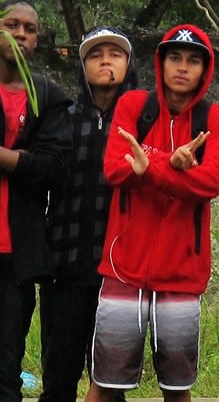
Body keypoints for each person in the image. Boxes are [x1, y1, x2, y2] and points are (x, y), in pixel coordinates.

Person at [84, 24, 219, 402]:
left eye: (193, 60)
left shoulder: (216, 120)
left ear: (206, 69)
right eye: (175, 57)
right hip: (124, 265)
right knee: (104, 382)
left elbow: (211, 183)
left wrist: (149, 166)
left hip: (181, 271)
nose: (182, 67)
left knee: (176, 387)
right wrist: (173, 165)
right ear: (160, 62)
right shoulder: (134, 105)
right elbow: (115, 169)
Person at [39, 26, 137, 402]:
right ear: (82, 67)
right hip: (64, 266)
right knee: (58, 377)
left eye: (115, 54)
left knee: (110, 382)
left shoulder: (140, 121)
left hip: (119, 270)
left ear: (128, 64)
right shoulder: (62, 117)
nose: (106, 60)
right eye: (96, 55)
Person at [0, 0, 72, 402]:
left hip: (17, 254)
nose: (22, 35)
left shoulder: (48, 97)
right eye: (12, 25)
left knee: (6, 365)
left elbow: (55, 167)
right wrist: (24, 161)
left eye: (30, 30)